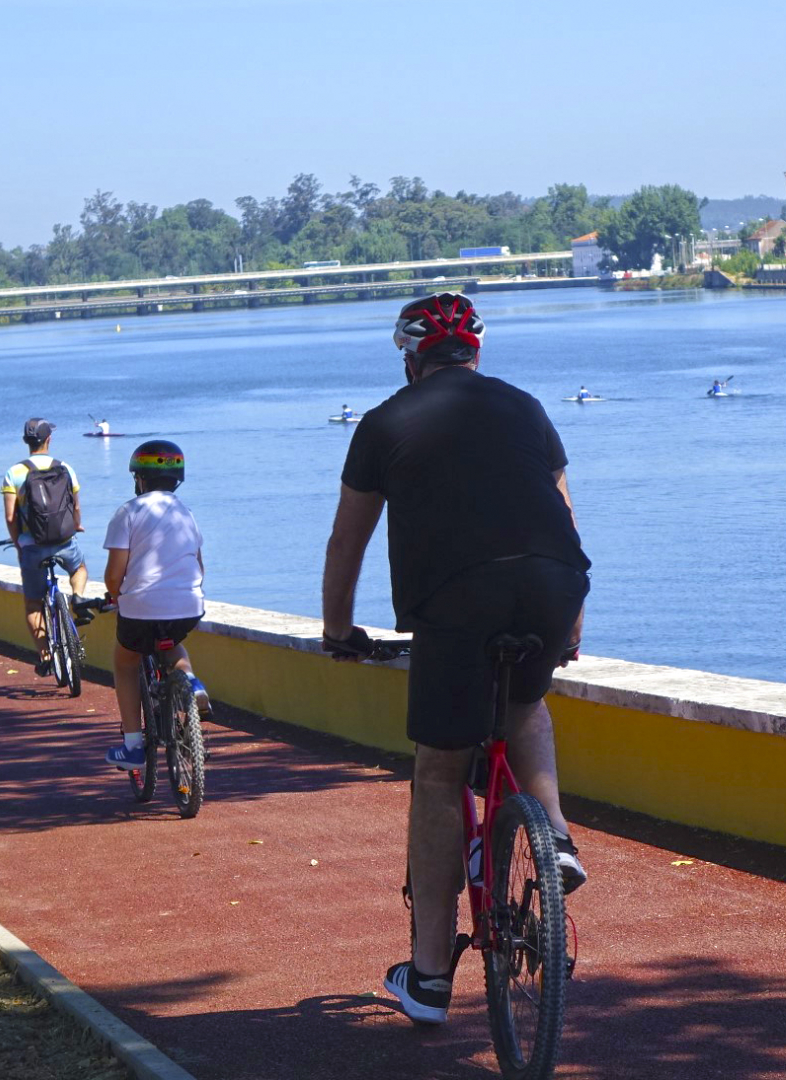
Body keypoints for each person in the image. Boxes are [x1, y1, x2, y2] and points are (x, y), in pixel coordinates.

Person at [321, 292, 591, 1025]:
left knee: (440, 773)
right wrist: (570, 623)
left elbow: (348, 542)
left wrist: (339, 631)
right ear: (476, 352)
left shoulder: (382, 423)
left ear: (411, 356)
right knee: (526, 703)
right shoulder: (526, 407)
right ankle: (557, 840)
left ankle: (432, 978)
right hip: (554, 583)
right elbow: (563, 515)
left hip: (455, 600)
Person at [101, 440, 213, 768]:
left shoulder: (128, 512)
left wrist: (115, 595)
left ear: (139, 479)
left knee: (126, 661)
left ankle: (133, 746)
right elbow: (199, 567)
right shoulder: (185, 513)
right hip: (189, 605)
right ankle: (191, 683)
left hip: (141, 609)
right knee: (172, 645)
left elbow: (114, 576)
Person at [1, 418, 89, 678]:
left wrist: (19, 544)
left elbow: (10, 517)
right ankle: (78, 596)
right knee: (79, 568)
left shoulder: (14, 473)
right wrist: (76, 525)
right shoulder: (65, 468)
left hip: (32, 546)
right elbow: (76, 507)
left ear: (26, 442)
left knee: (33, 604)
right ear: (49, 439)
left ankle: (46, 656)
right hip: (64, 540)